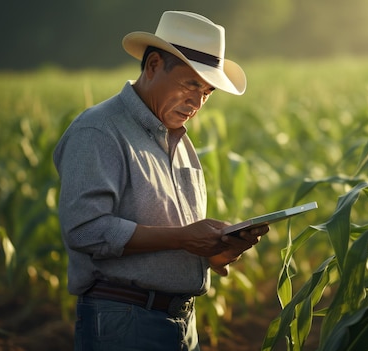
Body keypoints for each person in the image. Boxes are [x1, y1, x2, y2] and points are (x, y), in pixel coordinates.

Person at [53, 11, 268, 351]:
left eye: (207, 92)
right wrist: (183, 238)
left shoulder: (178, 141)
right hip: (124, 322)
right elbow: (84, 229)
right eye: (190, 84)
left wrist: (220, 250)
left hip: (182, 323)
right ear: (153, 66)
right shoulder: (99, 130)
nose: (197, 103)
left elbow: (176, 242)